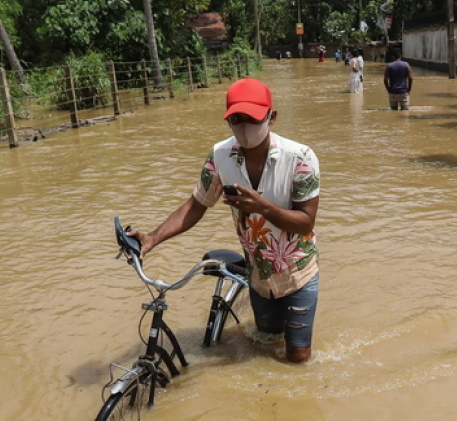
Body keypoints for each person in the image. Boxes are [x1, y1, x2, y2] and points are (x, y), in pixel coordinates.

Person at [132, 78, 322, 364]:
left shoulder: (300, 158)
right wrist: (153, 237)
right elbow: (197, 204)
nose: (244, 127)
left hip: (298, 272)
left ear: (272, 117)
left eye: (252, 119)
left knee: (297, 357)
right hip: (258, 274)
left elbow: (306, 222)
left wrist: (263, 207)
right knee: (265, 344)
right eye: (236, 119)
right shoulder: (220, 156)